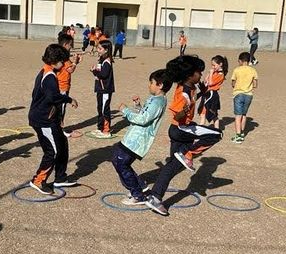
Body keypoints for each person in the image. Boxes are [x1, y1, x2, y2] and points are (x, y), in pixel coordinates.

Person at [145, 55, 222, 216]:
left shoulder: (191, 87)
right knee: (216, 134)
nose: (201, 75)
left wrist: (203, 91)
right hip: (181, 128)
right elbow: (178, 115)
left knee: (172, 165)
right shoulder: (183, 92)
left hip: (181, 130)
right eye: (198, 73)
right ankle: (187, 153)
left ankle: (155, 197)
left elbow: (194, 98)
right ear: (189, 75)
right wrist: (184, 111)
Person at [111, 69, 171, 205]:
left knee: (120, 162)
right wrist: (138, 106)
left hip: (137, 140)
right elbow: (145, 114)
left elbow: (144, 119)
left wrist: (125, 111)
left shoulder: (158, 102)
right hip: (132, 137)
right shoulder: (156, 99)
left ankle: (138, 195)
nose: (149, 85)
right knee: (118, 159)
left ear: (160, 85)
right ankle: (141, 187)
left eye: (152, 83)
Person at [28, 44, 79, 194]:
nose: (64, 64)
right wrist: (69, 99)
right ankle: (38, 180)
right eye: (62, 61)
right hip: (43, 120)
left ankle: (60, 177)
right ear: (54, 60)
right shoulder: (49, 76)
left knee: (62, 144)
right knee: (53, 151)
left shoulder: (47, 71)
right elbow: (53, 97)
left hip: (50, 118)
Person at [229, 52, 258, 143]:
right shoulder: (253, 70)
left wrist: (236, 86)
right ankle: (242, 133)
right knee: (244, 114)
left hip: (238, 94)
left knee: (238, 116)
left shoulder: (237, 70)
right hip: (249, 95)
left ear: (240, 61)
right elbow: (255, 84)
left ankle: (238, 136)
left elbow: (233, 83)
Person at [56, 32, 80, 136]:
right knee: (61, 109)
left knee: (60, 108)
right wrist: (75, 62)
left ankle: (58, 128)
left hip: (61, 84)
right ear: (65, 45)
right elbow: (70, 70)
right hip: (62, 86)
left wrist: (75, 62)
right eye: (70, 45)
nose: (71, 47)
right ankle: (59, 130)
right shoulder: (63, 56)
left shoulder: (59, 53)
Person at [91, 39, 114, 138]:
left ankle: (106, 130)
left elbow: (103, 75)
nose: (98, 50)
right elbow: (100, 72)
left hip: (105, 90)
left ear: (106, 50)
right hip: (100, 89)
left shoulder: (107, 62)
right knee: (100, 108)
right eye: (98, 48)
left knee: (105, 109)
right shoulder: (101, 60)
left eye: (100, 48)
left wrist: (95, 72)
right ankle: (100, 128)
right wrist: (95, 70)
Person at [199, 55, 228, 127]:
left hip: (212, 95)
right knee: (203, 113)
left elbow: (211, 83)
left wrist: (211, 73)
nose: (212, 67)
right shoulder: (214, 72)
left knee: (213, 114)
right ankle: (201, 128)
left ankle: (217, 130)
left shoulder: (221, 75)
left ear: (220, 64)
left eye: (214, 65)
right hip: (207, 94)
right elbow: (206, 81)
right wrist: (209, 74)